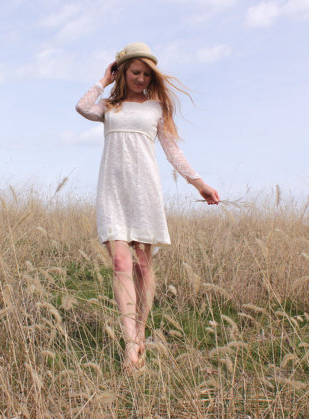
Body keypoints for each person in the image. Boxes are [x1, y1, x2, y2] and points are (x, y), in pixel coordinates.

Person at [75, 42, 219, 372]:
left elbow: (172, 151)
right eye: (134, 72)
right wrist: (103, 80)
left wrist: (199, 183)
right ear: (123, 72)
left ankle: (140, 334)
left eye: (145, 73)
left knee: (142, 265)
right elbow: (82, 107)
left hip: (145, 192)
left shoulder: (156, 109)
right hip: (112, 191)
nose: (140, 78)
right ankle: (130, 347)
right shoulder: (109, 107)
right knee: (120, 262)